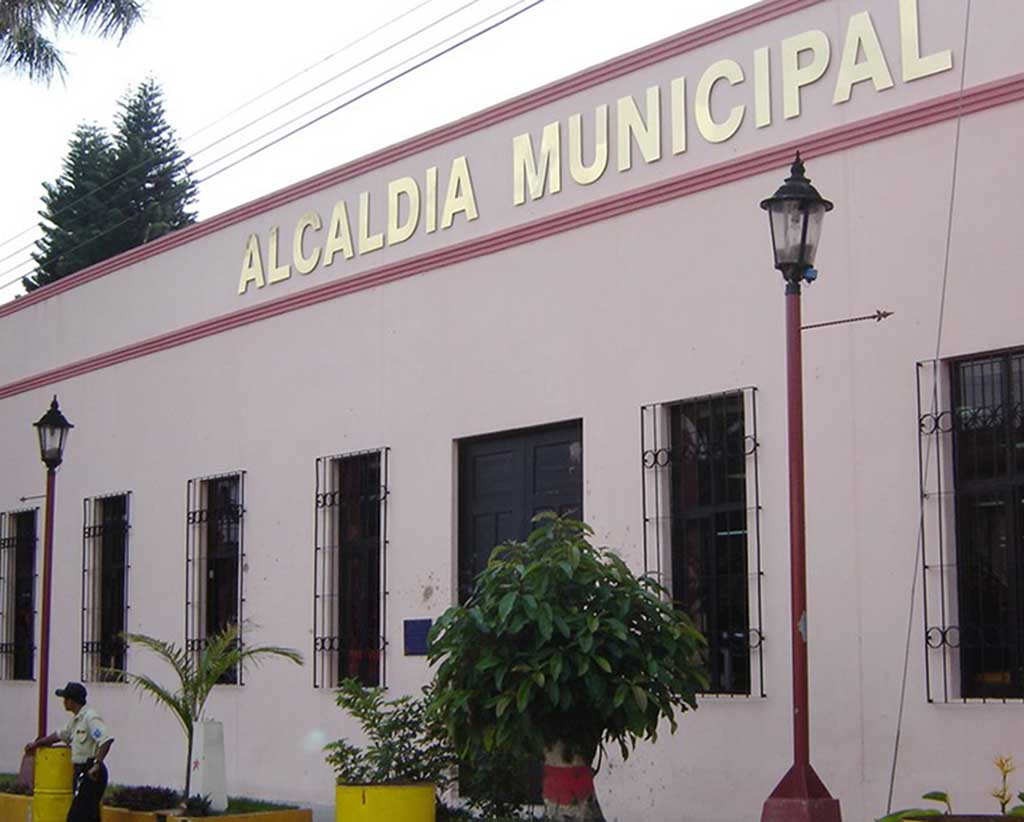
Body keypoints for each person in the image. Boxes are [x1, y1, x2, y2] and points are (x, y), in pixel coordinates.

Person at [24, 682, 115, 822]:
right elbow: (59, 735)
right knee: (90, 816)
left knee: (76, 817)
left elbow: (106, 740)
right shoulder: (76, 720)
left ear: (72, 700)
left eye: (65, 699)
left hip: (91, 772)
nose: (63, 702)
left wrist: (97, 763)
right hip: (80, 772)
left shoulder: (90, 718)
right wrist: (37, 744)